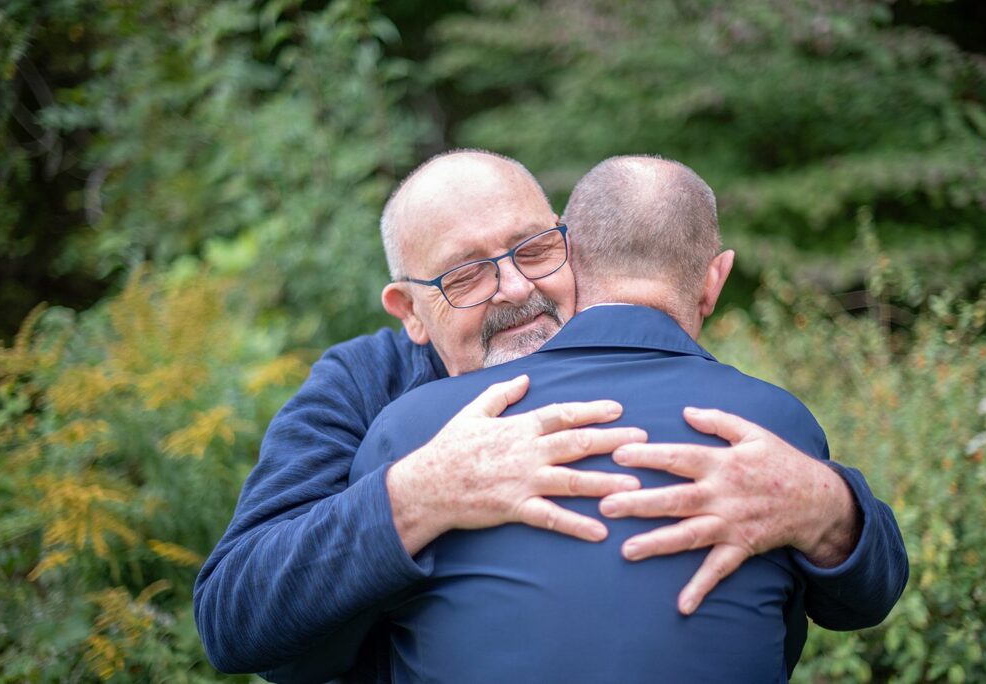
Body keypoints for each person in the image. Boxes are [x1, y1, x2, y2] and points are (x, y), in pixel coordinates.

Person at [194, 151, 907, 680]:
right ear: (409, 311)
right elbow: (233, 620)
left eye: (534, 248)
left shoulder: (679, 377)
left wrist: (828, 508)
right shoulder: (365, 391)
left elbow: (853, 599)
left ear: (578, 246)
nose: (515, 287)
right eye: (465, 273)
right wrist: (415, 498)